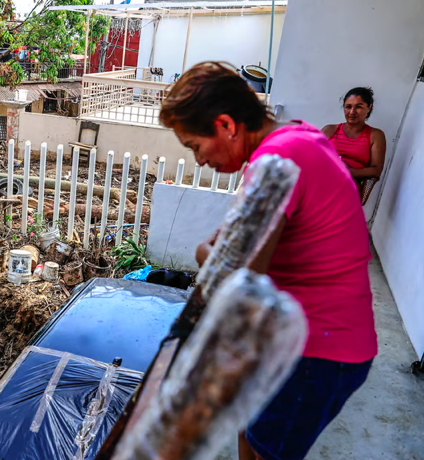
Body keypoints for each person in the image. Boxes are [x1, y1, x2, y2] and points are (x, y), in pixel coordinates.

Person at [160, 62, 376, 460]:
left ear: (225, 125)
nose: (199, 161)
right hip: (309, 337)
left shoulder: (276, 160)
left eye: (194, 147)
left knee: (265, 451)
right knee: (249, 428)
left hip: (318, 351)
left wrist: (204, 253)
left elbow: (236, 280)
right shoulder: (298, 136)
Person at [321, 87, 386, 201]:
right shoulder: (329, 130)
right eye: (348, 107)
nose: (352, 112)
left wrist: (348, 171)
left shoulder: (375, 135)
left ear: (369, 107)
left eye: (359, 107)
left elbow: (376, 170)